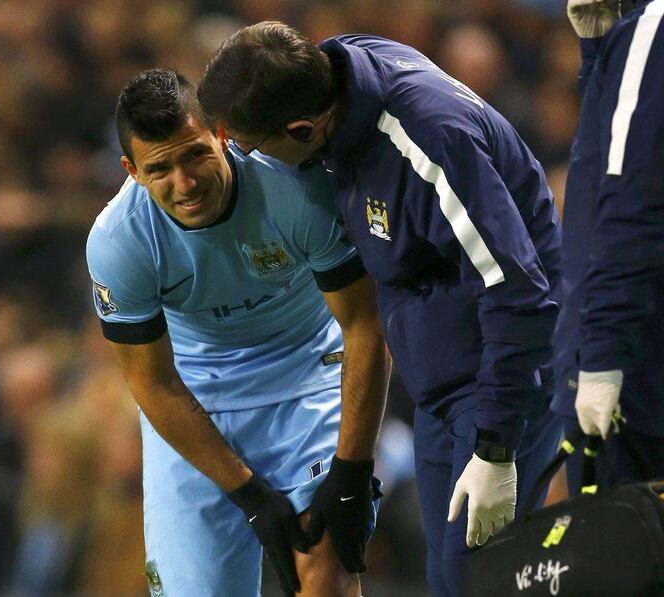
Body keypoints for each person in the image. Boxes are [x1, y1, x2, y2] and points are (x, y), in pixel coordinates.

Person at [199, 23, 562, 596]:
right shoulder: (337, 74)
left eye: (255, 144)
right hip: (442, 382)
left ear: (302, 128)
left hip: (501, 381)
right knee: (449, 580)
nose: (250, 157)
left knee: (477, 584)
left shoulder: (428, 142)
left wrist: (496, 445)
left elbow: (517, 289)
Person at [85, 69, 386, 597]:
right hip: (197, 396)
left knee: (323, 572)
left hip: (309, 373)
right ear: (131, 171)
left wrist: (353, 474)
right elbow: (153, 384)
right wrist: (249, 496)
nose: (186, 183)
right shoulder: (119, 243)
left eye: (194, 154)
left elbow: (364, 324)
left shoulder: (296, 191)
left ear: (220, 133)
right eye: (160, 169)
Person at [554, 0, 664, 491]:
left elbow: (628, 205)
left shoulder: (653, 27)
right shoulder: (636, 35)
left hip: (636, 368)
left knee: (620, 561)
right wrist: (600, 56)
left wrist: (599, 356)